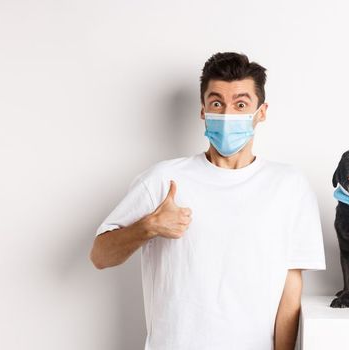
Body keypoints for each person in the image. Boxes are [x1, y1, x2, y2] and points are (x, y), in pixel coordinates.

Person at [90, 52, 326, 350]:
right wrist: (148, 226)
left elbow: (290, 290)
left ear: (261, 112)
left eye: (241, 104)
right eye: (217, 103)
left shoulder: (289, 185)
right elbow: (100, 255)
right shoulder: (164, 179)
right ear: (203, 110)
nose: (227, 115)